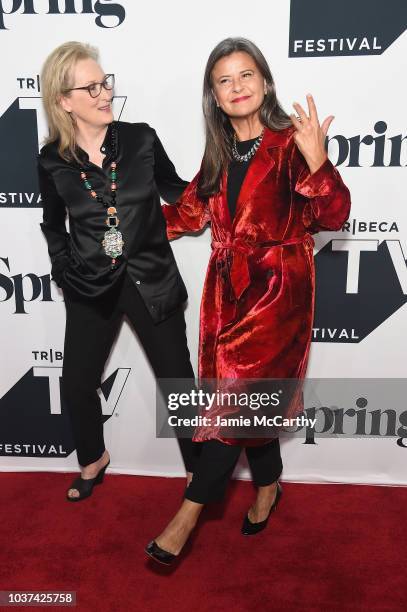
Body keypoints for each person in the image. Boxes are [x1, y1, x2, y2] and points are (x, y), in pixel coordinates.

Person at [145, 37, 351, 564]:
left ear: (265, 83)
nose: (237, 88)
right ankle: (268, 486)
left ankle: (187, 514)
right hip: (226, 298)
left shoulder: (289, 144)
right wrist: (121, 230)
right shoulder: (217, 153)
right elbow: (188, 215)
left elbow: (334, 216)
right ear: (213, 95)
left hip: (279, 294)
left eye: (246, 76)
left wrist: (319, 161)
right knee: (249, 403)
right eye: (224, 80)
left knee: (232, 406)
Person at [37, 41, 200, 501]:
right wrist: (65, 271)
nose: (104, 93)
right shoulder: (51, 160)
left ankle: (197, 472)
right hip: (90, 286)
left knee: (178, 381)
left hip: (152, 279)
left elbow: (177, 191)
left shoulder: (140, 138)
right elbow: (53, 225)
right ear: (63, 101)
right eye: (89, 87)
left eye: (105, 82)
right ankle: (93, 457)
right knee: (76, 383)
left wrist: (228, 188)